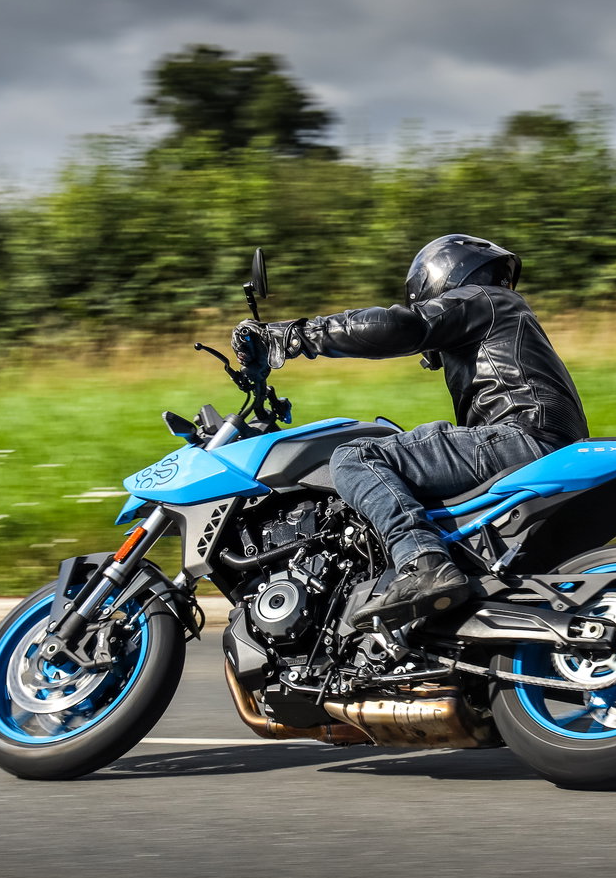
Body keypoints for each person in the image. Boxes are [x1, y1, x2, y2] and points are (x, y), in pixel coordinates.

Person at [232, 234, 588, 629]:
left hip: (518, 436)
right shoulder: (506, 313)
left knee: (357, 457)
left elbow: (402, 325)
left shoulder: (483, 299)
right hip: (537, 441)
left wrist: (297, 335)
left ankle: (423, 562)